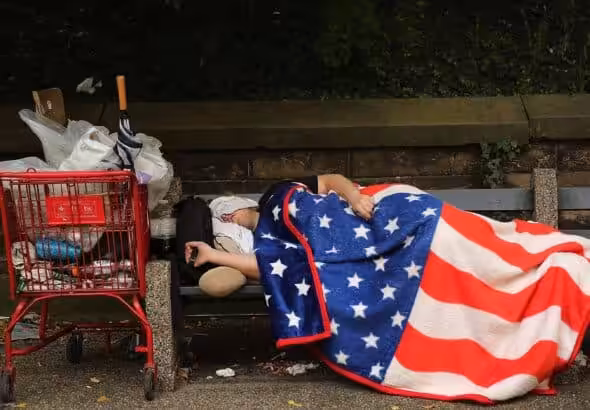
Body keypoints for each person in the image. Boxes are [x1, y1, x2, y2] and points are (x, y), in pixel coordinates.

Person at [184, 174, 372, 276]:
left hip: (361, 214)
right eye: (224, 220)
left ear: (244, 203)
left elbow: (331, 180)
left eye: (227, 212)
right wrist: (212, 254)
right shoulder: (264, 242)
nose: (230, 218)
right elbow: (265, 266)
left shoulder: (277, 193)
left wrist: (354, 197)